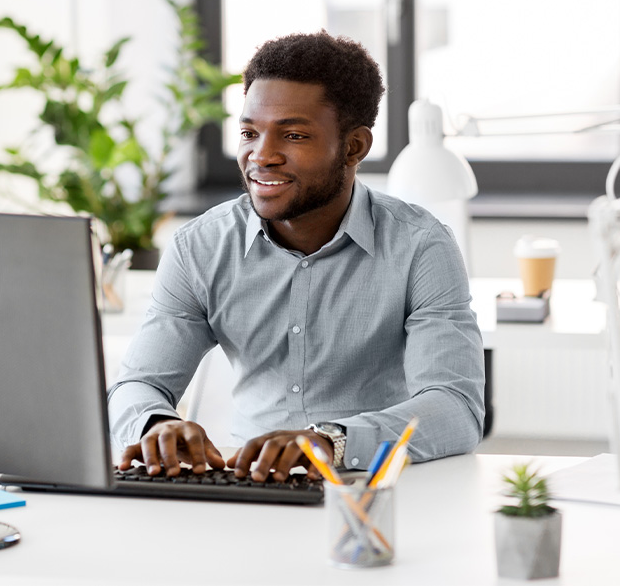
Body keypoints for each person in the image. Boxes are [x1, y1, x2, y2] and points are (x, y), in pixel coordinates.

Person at [108, 31, 484, 483]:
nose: (261, 156)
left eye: (293, 135)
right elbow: (137, 384)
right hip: (245, 488)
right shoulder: (200, 247)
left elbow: (455, 407)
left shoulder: (420, 246)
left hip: (374, 488)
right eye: (249, 132)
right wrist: (155, 424)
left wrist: (330, 441)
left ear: (354, 147)